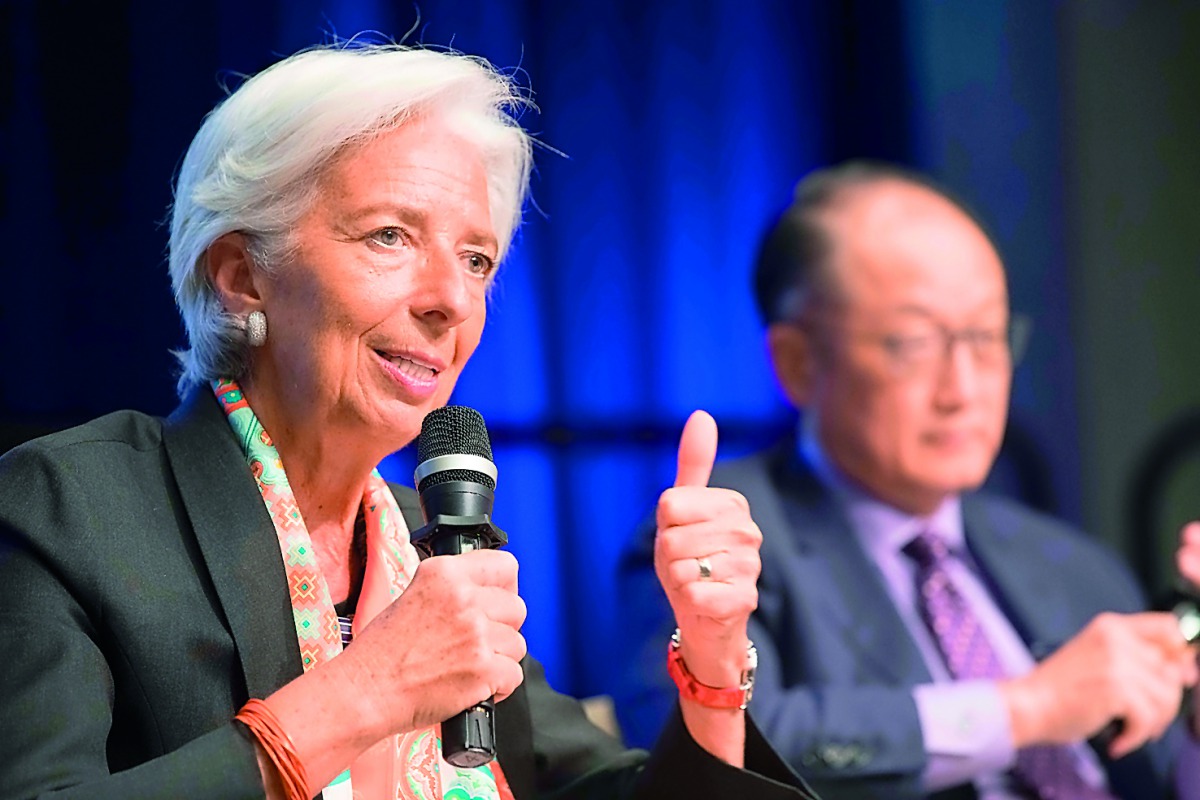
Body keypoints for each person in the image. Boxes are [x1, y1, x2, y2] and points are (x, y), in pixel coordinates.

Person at [0, 43, 818, 800]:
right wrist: (368, 690)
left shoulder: (430, 534)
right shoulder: (68, 505)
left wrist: (712, 661)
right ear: (243, 278)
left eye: (477, 259)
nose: (451, 300)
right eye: (390, 236)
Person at [613, 160, 1200, 799]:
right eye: (914, 343)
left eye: (985, 337)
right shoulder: (723, 544)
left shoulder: (1071, 564)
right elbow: (711, 760)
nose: (963, 389)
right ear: (798, 362)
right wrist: (1023, 709)